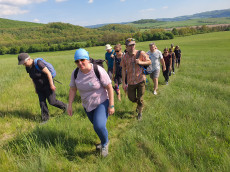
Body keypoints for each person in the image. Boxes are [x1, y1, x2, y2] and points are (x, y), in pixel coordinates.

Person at [67, 48, 114, 157]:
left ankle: (105, 144)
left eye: (82, 60)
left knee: (98, 125)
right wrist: (70, 105)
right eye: (77, 61)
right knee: (98, 126)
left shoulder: (97, 70)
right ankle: (104, 140)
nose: (80, 63)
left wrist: (111, 105)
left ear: (87, 59)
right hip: (87, 105)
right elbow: (73, 89)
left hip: (101, 102)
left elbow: (109, 87)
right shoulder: (75, 73)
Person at [17, 53, 67, 122]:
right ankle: (45, 119)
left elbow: (48, 73)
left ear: (28, 59)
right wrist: (35, 88)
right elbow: (33, 78)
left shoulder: (38, 63)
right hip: (39, 87)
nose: (24, 65)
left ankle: (66, 107)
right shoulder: (28, 68)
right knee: (42, 103)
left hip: (47, 85)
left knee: (52, 102)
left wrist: (51, 85)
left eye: (24, 63)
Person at [121, 38, 151, 120]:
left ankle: (140, 113)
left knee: (140, 98)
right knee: (131, 98)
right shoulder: (124, 57)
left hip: (140, 80)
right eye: (130, 45)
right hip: (130, 81)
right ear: (126, 47)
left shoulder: (141, 53)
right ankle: (139, 103)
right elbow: (123, 69)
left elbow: (149, 62)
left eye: (133, 45)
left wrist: (141, 62)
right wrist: (124, 82)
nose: (132, 47)